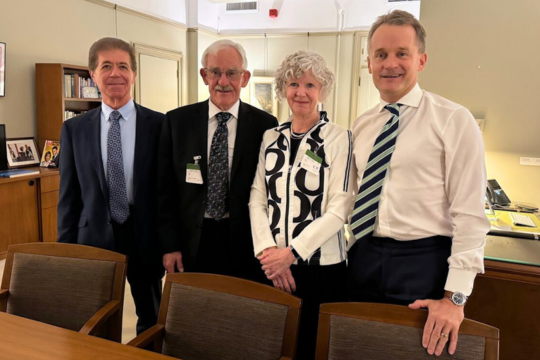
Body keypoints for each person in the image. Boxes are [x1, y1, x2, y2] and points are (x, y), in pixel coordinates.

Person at [348, 10, 490, 357]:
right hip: (362, 258)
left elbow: (470, 216)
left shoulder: (454, 120)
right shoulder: (362, 125)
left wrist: (455, 297)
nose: (390, 64)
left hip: (423, 263)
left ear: (421, 60)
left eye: (401, 53)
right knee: (357, 348)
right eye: (380, 54)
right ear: (369, 63)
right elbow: (352, 198)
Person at [249, 50, 353, 360]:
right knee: (274, 344)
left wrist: (291, 254)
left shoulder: (338, 138)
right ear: (283, 89)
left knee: (312, 347)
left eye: (310, 85)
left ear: (322, 91)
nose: (301, 92)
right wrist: (268, 252)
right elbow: (257, 198)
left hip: (321, 269)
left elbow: (340, 208)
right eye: (293, 84)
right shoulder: (271, 137)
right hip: (272, 266)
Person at [57, 37, 164, 335]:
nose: (115, 73)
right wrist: (65, 251)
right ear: (93, 74)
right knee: (97, 321)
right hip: (94, 238)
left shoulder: (159, 125)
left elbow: (165, 194)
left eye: (123, 66)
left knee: (151, 320)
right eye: (106, 66)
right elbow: (69, 197)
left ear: (134, 74)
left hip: (145, 238)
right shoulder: (74, 129)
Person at [158, 40, 278, 282]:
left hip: (245, 242)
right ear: (204, 75)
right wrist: (170, 246)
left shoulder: (266, 126)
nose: (223, 81)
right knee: (194, 312)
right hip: (192, 241)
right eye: (215, 72)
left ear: (244, 78)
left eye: (232, 73)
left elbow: (269, 191)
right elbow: (164, 190)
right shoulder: (176, 122)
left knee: (239, 313)